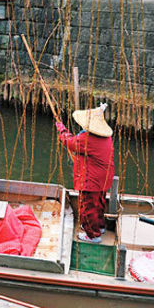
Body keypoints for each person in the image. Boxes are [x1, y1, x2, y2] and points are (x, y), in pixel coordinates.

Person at [55, 103, 115, 243]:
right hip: (104, 177)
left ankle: (93, 235)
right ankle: (99, 226)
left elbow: (68, 142)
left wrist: (61, 129)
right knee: (99, 202)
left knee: (88, 206)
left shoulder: (86, 139)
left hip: (91, 179)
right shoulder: (106, 137)